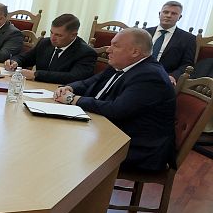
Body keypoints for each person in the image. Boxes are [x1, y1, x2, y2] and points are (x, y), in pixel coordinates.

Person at [54, 28, 176, 172]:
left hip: (136, 148)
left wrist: (73, 99)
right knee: (58, 137)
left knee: (66, 149)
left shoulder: (150, 76)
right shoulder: (121, 64)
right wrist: (69, 88)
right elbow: (91, 82)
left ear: (135, 52)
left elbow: (116, 110)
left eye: (115, 46)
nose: (108, 50)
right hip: (104, 129)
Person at [4, 14, 97, 84]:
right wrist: (14, 61)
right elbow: (26, 58)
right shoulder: (45, 43)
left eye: (58, 35)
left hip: (61, 93)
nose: (53, 38)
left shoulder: (86, 53)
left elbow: (74, 77)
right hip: (37, 88)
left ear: (73, 35)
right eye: (51, 32)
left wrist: (36, 74)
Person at [145, 1, 196, 84]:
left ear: (179, 17)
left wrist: (173, 76)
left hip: (164, 78)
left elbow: (187, 64)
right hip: (138, 73)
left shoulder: (188, 39)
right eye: (165, 12)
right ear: (159, 14)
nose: (168, 15)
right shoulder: (144, 33)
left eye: (174, 13)